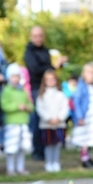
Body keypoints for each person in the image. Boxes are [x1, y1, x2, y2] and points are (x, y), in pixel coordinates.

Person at [24, 26, 62, 161]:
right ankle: (37, 150)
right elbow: (35, 69)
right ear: (31, 37)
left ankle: (50, 147)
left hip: (49, 88)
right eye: (35, 36)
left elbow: (49, 71)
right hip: (37, 89)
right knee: (38, 119)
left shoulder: (45, 50)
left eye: (40, 35)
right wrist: (53, 67)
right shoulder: (29, 52)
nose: (38, 38)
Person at [0, 63, 33, 176]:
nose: (15, 79)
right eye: (13, 76)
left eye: (17, 76)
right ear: (9, 77)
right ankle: (10, 169)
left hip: (23, 122)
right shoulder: (6, 91)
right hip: (11, 123)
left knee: (22, 147)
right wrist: (17, 106)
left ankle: (20, 168)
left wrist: (28, 107)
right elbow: (4, 105)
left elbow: (31, 104)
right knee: (11, 147)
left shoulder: (23, 91)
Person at [36, 68, 69, 173]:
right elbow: (40, 109)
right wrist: (49, 119)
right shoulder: (42, 96)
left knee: (57, 144)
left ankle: (56, 162)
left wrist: (59, 118)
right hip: (47, 125)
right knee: (48, 144)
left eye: (52, 79)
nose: (50, 81)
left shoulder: (61, 94)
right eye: (48, 79)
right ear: (44, 81)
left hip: (59, 124)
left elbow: (65, 108)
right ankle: (49, 162)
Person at [71, 62, 93, 170]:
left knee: (90, 139)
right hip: (85, 117)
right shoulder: (80, 87)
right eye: (89, 73)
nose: (92, 75)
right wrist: (79, 117)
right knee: (84, 139)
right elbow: (77, 102)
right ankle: (85, 159)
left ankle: (89, 157)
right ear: (84, 74)